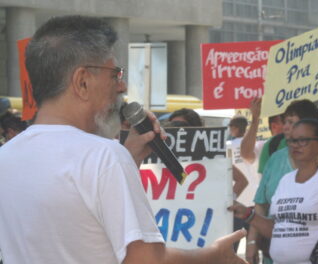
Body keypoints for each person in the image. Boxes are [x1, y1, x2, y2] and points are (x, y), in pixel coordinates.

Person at [0, 15, 246, 264]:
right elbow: (146, 260)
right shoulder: (103, 156)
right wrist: (213, 255)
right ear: (82, 81)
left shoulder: (6, 158)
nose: (122, 86)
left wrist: (127, 158)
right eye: (115, 74)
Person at [230, 118, 318, 264]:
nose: (296, 146)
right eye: (292, 141)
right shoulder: (285, 180)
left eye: (303, 140)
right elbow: (280, 230)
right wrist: (247, 214)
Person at [246, 99, 318, 264]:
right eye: (285, 122)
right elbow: (261, 204)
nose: (286, 127)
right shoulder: (275, 157)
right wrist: (252, 241)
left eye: (291, 122)